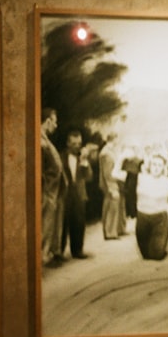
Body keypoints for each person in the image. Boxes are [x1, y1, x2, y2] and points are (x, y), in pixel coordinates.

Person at [134, 146, 168, 260]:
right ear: (150, 165)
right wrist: (120, 159)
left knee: (157, 255)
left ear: (163, 167)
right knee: (146, 255)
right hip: (142, 219)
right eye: (154, 164)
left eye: (159, 165)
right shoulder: (141, 177)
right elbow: (116, 174)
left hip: (159, 220)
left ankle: (162, 241)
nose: (156, 168)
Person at [60, 127, 93, 260]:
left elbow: (89, 177)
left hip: (79, 194)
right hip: (65, 193)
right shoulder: (61, 156)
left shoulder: (82, 158)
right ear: (68, 143)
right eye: (74, 144)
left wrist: (85, 161)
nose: (77, 147)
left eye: (79, 144)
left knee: (79, 222)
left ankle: (77, 250)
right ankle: (59, 252)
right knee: (62, 222)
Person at [40, 108, 66, 266]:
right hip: (46, 192)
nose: (56, 125)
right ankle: (41, 257)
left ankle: (45, 254)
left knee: (48, 225)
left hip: (52, 192)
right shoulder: (41, 142)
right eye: (54, 121)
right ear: (48, 121)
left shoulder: (45, 140)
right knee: (44, 225)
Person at [98, 132, 127, 240]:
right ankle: (109, 232)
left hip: (115, 182)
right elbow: (107, 173)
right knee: (111, 207)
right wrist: (111, 188)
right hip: (110, 183)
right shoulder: (106, 153)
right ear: (113, 139)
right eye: (117, 139)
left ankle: (116, 230)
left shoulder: (111, 151)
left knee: (115, 207)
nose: (118, 141)